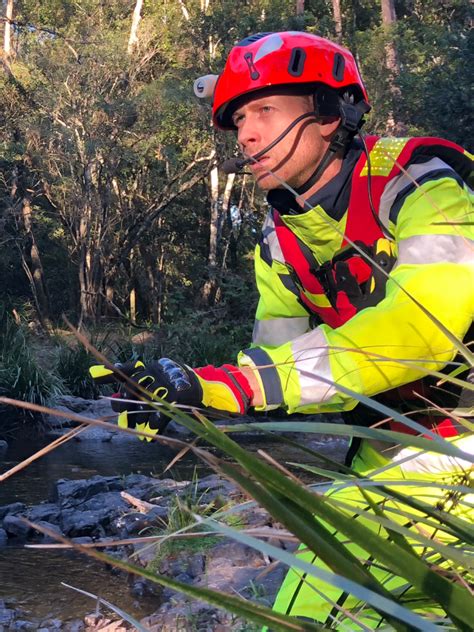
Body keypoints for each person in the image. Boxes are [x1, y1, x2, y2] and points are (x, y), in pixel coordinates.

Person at [91, 31, 473, 626]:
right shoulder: (278, 243)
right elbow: (281, 372)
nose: (245, 133)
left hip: (463, 438)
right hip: (387, 451)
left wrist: (243, 384)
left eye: (265, 110)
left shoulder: (420, 181)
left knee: (324, 597)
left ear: (329, 115)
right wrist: (190, 391)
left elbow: (421, 330)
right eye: (240, 117)